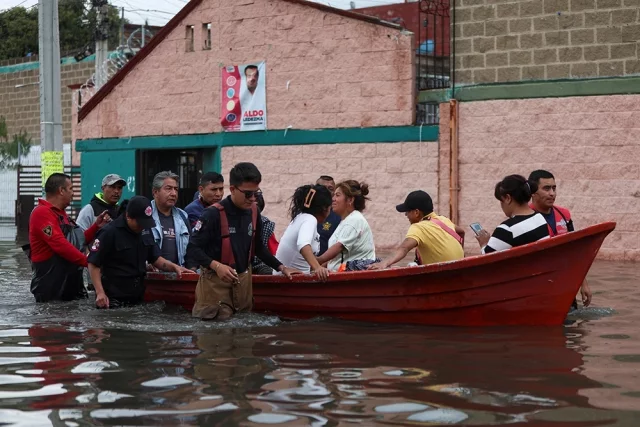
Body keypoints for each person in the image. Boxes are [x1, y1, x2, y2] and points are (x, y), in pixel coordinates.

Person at [186, 162, 301, 321]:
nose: (253, 199)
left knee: (244, 340)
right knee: (215, 340)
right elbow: (192, 249)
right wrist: (216, 266)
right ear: (232, 189)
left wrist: (281, 267)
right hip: (215, 287)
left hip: (243, 286)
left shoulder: (253, 212)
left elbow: (259, 247)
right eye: (248, 194)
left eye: (256, 193)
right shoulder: (211, 215)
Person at [88, 196, 189, 308]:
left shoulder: (145, 230)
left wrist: (174, 267)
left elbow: (155, 258)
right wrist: (100, 292)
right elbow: (93, 263)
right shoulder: (109, 232)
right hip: (113, 298)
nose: (142, 227)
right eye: (140, 223)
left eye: (145, 223)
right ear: (128, 216)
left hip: (137, 297)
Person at [28, 173, 110, 302]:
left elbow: (76, 241)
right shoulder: (41, 213)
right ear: (61, 191)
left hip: (70, 284)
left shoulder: (62, 214)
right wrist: (89, 263)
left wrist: (96, 227)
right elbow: (60, 245)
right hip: (51, 287)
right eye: (71, 189)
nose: (73, 193)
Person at [529, 169, 592, 308]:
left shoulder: (564, 215)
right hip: (538, 288)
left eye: (554, 188)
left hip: (565, 286)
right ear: (533, 192)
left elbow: (574, 251)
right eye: (546, 188)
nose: (552, 193)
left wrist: (583, 283)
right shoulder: (523, 217)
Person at [369, 190, 464, 270]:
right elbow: (461, 232)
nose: (406, 215)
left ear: (416, 212)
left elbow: (404, 248)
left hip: (440, 276)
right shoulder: (443, 219)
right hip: (458, 269)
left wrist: (384, 263)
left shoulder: (418, 227)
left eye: (407, 212)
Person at [475, 175, 550, 254]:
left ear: (508, 198)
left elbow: (488, 258)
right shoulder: (539, 217)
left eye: (501, 201)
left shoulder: (506, 229)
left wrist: (484, 244)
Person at [275, 184, 332, 281]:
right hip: (290, 282)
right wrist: (317, 268)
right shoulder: (309, 219)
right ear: (324, 208)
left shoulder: (301, 217)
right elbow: (303, 245)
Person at [316, 180, 376, 272]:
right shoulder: (345, 221)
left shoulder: (355, 219)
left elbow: (339, 247)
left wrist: (315, 261)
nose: (333, 199)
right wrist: (318, 267)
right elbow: (335, 258)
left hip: (351, 279)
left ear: (350, 200)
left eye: (338, 195)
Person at [150, 171, 190, 267]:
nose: (173, 193)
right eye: (168, 189)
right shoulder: (146, 215)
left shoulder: (183, 216)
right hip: (151, 276)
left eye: (176, 189)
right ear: (155, 192)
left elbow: (191, 248)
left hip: (179, 274)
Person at [251, 193, 279, 275]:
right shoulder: (266, 222)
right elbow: (274, 250)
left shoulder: (266, 224)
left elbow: (273, 250)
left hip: (260, 265)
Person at [316, 175, 341, 256]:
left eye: (330, 189)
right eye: (323, 188)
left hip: (325, 264)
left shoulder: (339, 215)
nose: (326, 192)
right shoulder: (305, 212)